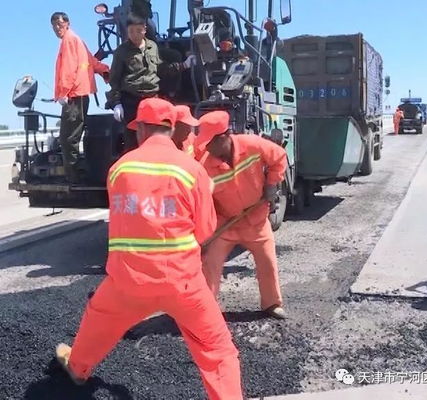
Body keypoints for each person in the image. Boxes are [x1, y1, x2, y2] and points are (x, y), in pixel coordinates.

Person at [55, 98, 243, 400]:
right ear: (171, 128)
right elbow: (205, 231)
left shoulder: (119, 169)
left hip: (127, 282)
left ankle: (78, 368)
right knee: (217, 350)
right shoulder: (192, 170)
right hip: (182, 283)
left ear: (141, 129)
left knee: (97, 319)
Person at [196, 111, 288, 319]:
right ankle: (206, 309)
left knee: (267, 261)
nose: (206, 148)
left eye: (208, 142)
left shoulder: (253, 145)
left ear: (224, 137)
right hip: (225, 223)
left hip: (255, 219)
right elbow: (202, 202)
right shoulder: (205, 166)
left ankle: (272, 303)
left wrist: (272, 184)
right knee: (210, 263)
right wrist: (204, 234)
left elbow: (279, 157)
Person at [108, 14, 196, 153]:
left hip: (152, 100)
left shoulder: (152, 47)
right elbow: (114, 79)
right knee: (133, 141)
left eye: (138, 31)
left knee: (156, 137)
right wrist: (116, 103)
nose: (134, 35)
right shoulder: (121, 52)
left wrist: (183, 65)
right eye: (130, 31)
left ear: (144, 29)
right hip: (132, 102)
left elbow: (161, 68)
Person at [51, 12, 110, 183]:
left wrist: (63, 92)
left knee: (68, 138)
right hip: (81, 94)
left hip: (74, 95)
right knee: (74, 135)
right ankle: (78, 173)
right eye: (54, 25)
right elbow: (91, 62)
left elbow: (68, 69)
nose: (57, 28)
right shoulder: (77, 40)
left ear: (67, 23)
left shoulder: (69, 40)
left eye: (59, 24)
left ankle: (75, 178)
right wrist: (106, 71)